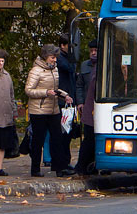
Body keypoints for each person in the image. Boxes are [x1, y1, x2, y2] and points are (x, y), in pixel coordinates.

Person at [25, 44, 73, 177]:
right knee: (38, 140)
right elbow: (29, 90)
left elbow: (55, 88)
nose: (55, 60)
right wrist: (46, 92)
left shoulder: (54, 70)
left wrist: (65, 95)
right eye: (52, 57)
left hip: (53, 109)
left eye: (55, 57)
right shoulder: (36, 71)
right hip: (39, 111)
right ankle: (35, 169)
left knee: (57, 138)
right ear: (45, 57)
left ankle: (59, 168)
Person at [52, 35, 78, 174]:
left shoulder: (65, 59)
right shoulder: (61, 60)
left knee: (67, 133)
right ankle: (60, 164)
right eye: (70, 46)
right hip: (63, 100)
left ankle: (64, 162)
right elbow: (69, 68)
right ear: (62, 46)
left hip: (69, 99)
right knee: (63, 133)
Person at [74, 40, 99, 175]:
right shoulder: (85, 66)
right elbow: (79, 85)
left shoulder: (104, 65)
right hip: (88, 107)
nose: (93, 53)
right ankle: (83, 165)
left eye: (95, 50)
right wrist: (80, 102)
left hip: (99, 106)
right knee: (88, 137)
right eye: (91, 51)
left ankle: (94, 164)